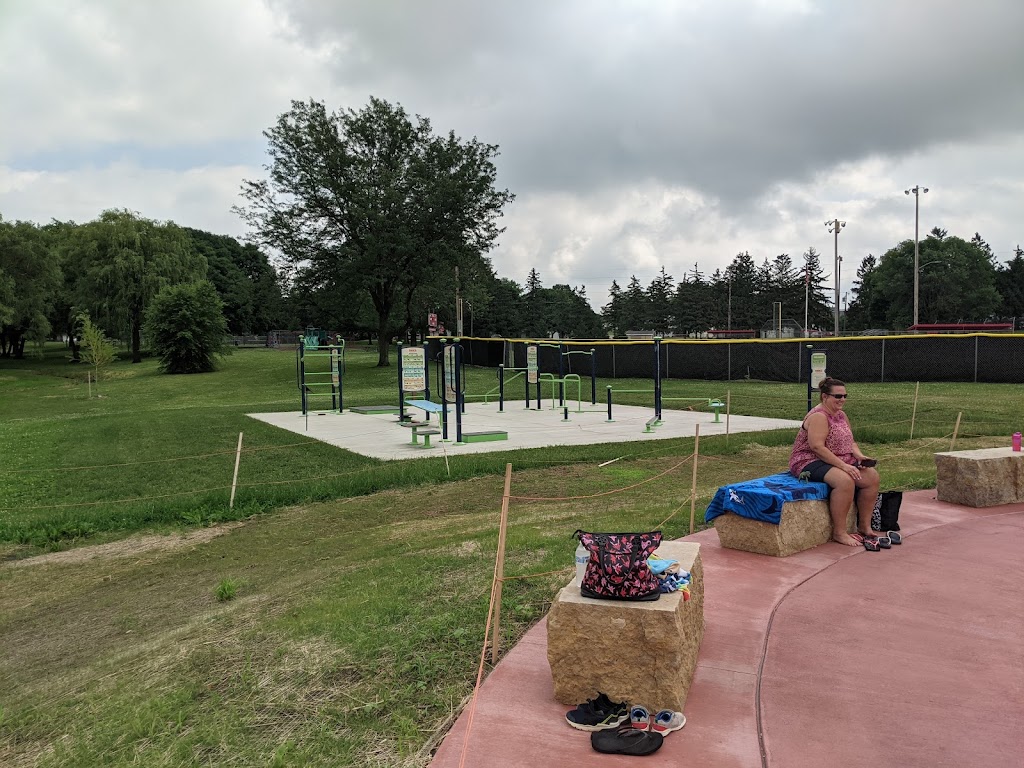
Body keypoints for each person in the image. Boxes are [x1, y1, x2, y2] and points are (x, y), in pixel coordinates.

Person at [789, 377, 880, 546]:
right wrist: (844, 466)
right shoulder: (818, 416)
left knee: (872, 477)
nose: (843, 399)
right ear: (824, 397)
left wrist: (859, 456)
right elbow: (817, 447)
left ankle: (864, 526)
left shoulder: (841, 415)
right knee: (845, 481)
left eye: (845, 395)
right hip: (808, 460)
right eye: (838, 396)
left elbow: (851, 441)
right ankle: (839, 532)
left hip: (838, 459)